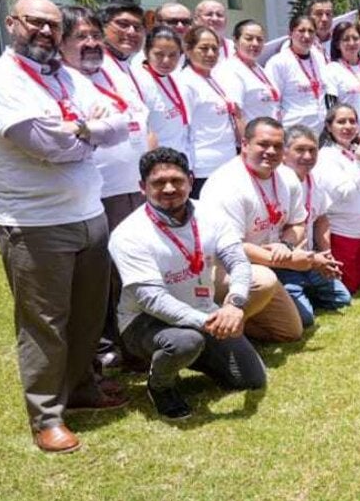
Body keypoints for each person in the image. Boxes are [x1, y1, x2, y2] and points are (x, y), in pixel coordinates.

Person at [0, 0, 132, 452]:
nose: (44, 32)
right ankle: (46, 415)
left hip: (87, 212)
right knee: (44, 323)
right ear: (11, 24)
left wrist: (76, 129)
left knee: (85, 317)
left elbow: (122, 124)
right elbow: (44, 145)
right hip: (34, 222)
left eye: (53, 25)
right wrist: (87, 130)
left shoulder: (66, 76)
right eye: (34, 23)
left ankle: (82, 389)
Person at [110, 148, 266, 421]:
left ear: (190, 181)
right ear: (142, 188)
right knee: (185, 342)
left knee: (251, 379)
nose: (169, 188)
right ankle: (160, 384)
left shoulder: (211, 215)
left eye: (177, 181)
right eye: (158, 183)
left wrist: (234, 303)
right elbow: (151, 299)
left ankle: (196, 356)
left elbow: (238, 262)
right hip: (145, 321)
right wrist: (208, 323)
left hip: (204, 310)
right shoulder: (129, 234)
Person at [64, 5, 151, 371]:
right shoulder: (69, 77)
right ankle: (102, 349)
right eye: (121, 26)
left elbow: (139, 121)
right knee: (102, 273)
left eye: (94, 36)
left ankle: (127, 337)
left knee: (126, 268)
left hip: (131, 185)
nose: (91, 43)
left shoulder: (121, 70)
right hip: (100, 191)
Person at [197, 117, 315, 343]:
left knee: (291, 332)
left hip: (262, 263)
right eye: (263, 144)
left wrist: (286, 245)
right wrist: (286, 260)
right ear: (245, 144)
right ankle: (211, 330)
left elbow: (298, 223)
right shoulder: (227, 184)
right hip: (221, 265)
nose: (271, 151)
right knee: (264, 280)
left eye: (278, 146)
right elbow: (232, 247)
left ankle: (229, 323)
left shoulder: (287, 177)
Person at [276, 125, 353, 325]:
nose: (307, 156)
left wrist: (327, 255)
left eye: (312, 150)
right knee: (306, 319)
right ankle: (292, 295)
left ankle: (302, 291)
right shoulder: (279, 182)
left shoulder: (314, 179)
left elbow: (321, 219)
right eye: (300, 150)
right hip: (284, 263)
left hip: (312, 260)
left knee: (342, 299)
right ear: (284, 153)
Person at [316, 104, 360, 294]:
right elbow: (344, 192)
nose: (348, 126)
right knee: (348, 286)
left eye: (352, 121)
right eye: (341, 121)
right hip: (342, 233)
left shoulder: (354, 151)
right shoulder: (326, 156)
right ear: (329, 126)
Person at [180, 26, 245, 195]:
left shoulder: (214, 78)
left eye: (214, 49)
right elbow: (184, 130)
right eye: (203, 48)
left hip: (227, 160)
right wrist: (188, 168)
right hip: (204, 168)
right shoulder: (186, 83)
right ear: (188, 50)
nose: (210, 54)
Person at [135, 26, 194, 163]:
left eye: (173, 55)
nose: (166, 60)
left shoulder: (175, 77)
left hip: (181, 157)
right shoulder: (140, 82)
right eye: (159, 54)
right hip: (159, 163)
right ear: (146, 52)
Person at [265, 15, 327, 131]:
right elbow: (272, 102)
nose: (307, 36)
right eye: (301, 31)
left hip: (320, 129)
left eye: (311, 31)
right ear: (290, 33)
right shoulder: (278, 62)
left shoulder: (319, 57)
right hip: (293, 130)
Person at [217, 20, 282, 123]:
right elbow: (236, 114)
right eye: (249, 39)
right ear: (235, 40)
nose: (255, 43)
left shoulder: (258, 68)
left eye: (260, 39)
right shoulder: (230, 70)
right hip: (253, 136)